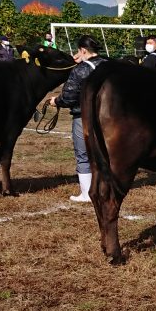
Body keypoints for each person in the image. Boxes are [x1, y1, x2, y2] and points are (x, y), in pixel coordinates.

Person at [50, 36, 105, 202]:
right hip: (107, 116)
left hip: (84, 116)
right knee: (104, 153)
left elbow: (69, 96)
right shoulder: (108, 65)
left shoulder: (80, 70)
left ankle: (86, 193)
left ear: (82, 50)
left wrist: (56, 101)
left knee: (83, 154)